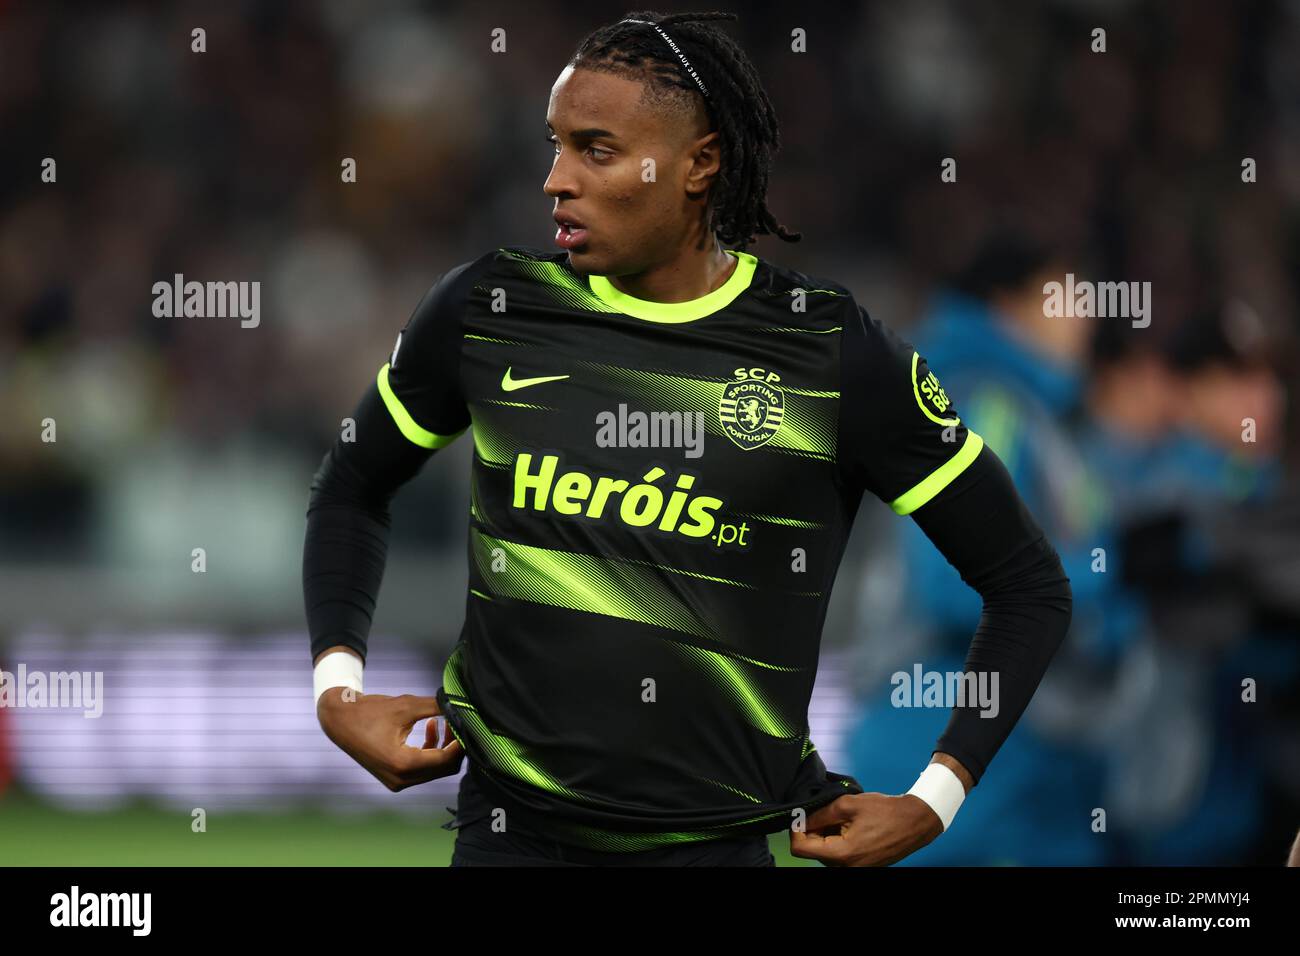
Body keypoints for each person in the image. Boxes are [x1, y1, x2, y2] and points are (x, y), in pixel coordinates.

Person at [302, 10, 1071, 867]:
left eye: (595, 150)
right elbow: (352, 485)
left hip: (715, 853)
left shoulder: (828, 353)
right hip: (507, 843)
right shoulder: (489, 310)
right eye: (554, 145)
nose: (556, 179)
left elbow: (1028, 585)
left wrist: (937, 798)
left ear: (700, 163)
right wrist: (339, 689)